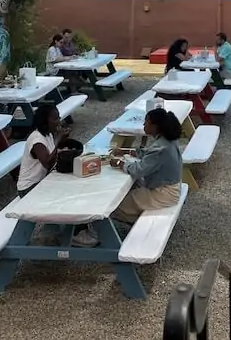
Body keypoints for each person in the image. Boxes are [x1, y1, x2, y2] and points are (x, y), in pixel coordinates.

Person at [19, 103, 99, 247]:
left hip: (42, 182)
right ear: (45, 120)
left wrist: (61, 140)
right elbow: (47, 163)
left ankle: (58, 230)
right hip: (29, 188)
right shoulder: (37, 139)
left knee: (76, 186)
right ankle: (76, 233)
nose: (59, 121)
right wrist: (58, 140)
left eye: (59, 117)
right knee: (68, 196)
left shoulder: (48, 134)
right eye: (55, 118)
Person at [109, 107, 184, 224]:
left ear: (155, 126)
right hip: (169, 186)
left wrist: (119, 163)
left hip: (163, 193)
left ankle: (94, 235)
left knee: (114, 205)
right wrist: (127, 151)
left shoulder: (160, 148)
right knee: (130, 191)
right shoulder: (167, 140)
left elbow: (138, 170)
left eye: (147, 121)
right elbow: (149, 154)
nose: (144, 124)